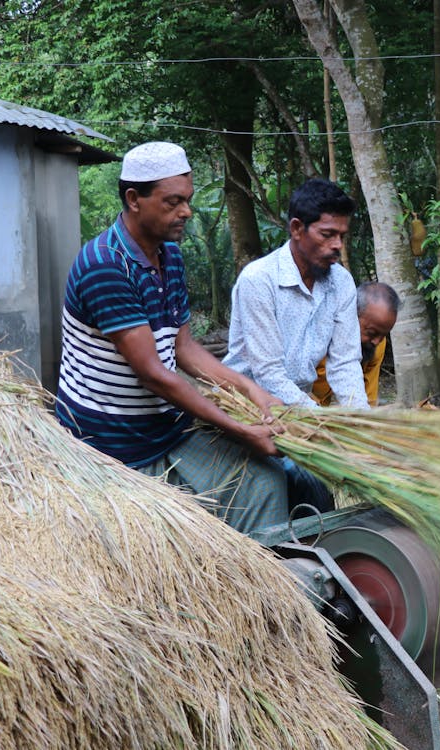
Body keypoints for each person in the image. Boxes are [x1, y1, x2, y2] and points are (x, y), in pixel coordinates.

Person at [54, 141, 294, 540]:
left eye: (188, 200)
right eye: (173, 202)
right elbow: (154, 375)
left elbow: (184, 348)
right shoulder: (105, 266)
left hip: (165, 428)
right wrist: (239, 429)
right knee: (173, 538)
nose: (186, 211)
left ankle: (261, 588)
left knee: (265, 486)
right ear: (134, 199)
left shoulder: (170, 256)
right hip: (111, 445)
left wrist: (253, 391)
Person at [224, 178, 369, 409]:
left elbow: (345, 363)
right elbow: (268, 373)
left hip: (299, 406)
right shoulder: (259, 279)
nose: (337, 245)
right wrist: (321, 419)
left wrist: (363, 420)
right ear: (296, 228)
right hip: (246, 403)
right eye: (327, 234)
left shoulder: (341, 282)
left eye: (341, 235)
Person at [311, 281, 399, 407]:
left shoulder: (376, 345)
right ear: (351, 315)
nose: (377, 341)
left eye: (383, 335)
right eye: (371, 332)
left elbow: (369, 397)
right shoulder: (318, 333)